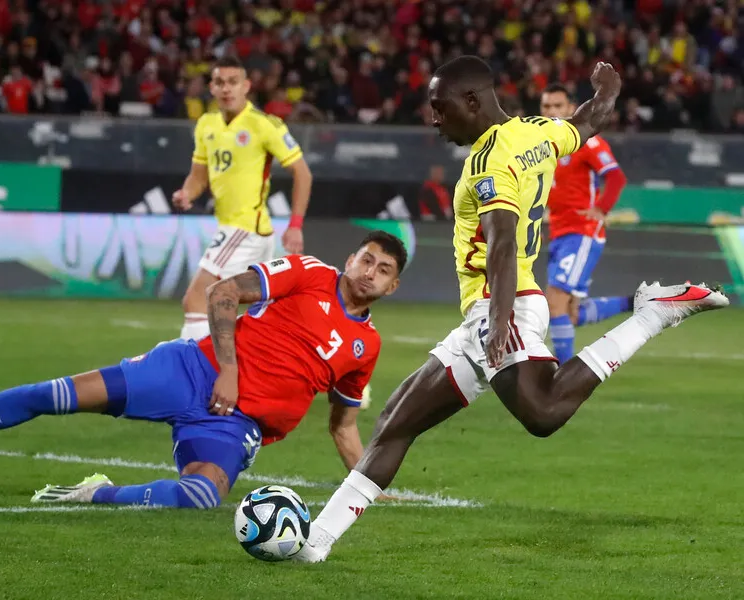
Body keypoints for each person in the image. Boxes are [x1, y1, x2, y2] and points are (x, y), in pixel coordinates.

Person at [294, 56, 728, 563]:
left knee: (542, 412)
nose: (435, 119)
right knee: (395, 421)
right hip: (495, 305)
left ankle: (653, 314)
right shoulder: (535, 132)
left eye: (441, 107)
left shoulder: (487, 162)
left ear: (473, 102)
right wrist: (607, 89)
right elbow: (587, 122)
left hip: (504, 303)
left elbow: (501, 240)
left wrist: (498, 320)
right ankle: (315, 544)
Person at [0, 232, 406, 510]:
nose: (370, 272)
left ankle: (93, 493)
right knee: (55, 395)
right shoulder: (309, 273)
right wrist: (229, 372)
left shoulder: (368, 345)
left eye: (382, 270)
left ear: (391, 286)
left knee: (201, 498)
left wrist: (367, 487)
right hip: (191, 371)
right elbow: (222, 292)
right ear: (350, 259)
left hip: (232, 428)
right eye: (365, 260)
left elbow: (343, 425)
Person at [172, 56, 313, 342]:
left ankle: (198, 372)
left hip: (244, 226)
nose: (226, 89)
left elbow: (303, 173)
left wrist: (296, 224)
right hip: (237, 228)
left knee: (197, 300)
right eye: (220, 82)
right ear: (211, 87)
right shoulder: (206, 125)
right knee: (257, 314)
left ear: (246, 86)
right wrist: (188, 192)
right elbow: (198, 176)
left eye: (233, 82)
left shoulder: (264, 125)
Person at [539, 83, 631, 364]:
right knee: (569, 313)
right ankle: (635, 301)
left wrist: (600, 210)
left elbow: (615, 177)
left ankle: (564, 372)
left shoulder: (586, 140)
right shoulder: (542, 144)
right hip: (559, 233)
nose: (551, 111)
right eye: (546, 106)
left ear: (570, 108)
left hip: (581, 233)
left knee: (554, 298)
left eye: (558, 106)